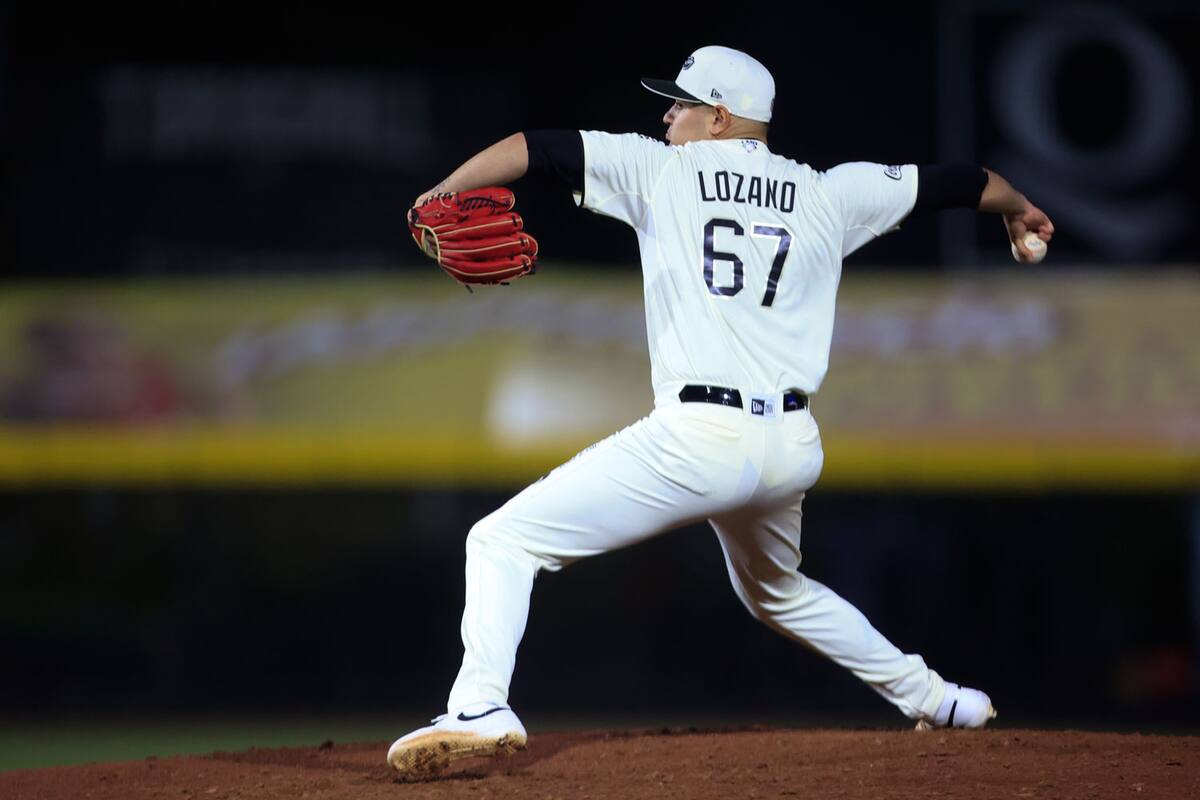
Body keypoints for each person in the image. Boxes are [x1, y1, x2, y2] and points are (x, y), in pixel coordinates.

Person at [387, 45, 1055, 775]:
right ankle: (941, 698)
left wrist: (438, 195)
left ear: (719, 117)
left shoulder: (658, 170)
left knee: (501, 542)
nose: (667, 114)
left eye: (680, 103)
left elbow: (532, 148)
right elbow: (961, 182)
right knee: (778, 593)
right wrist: (1021, 210)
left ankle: (480, 704)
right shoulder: (831, 193)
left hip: (699, 439)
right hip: (791, 446)